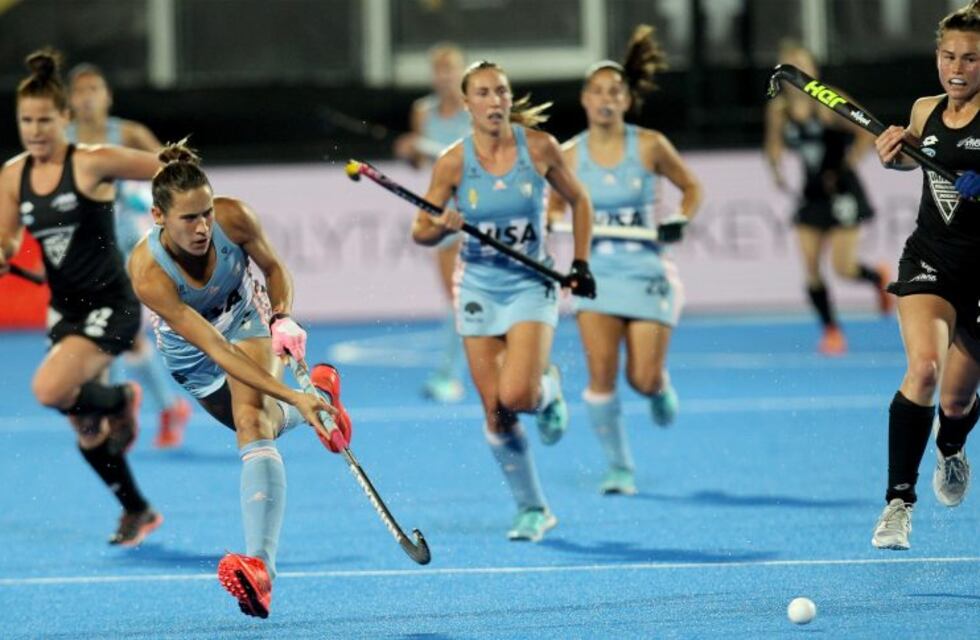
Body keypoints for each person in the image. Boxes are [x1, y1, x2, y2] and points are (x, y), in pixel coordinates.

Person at [127, 140, 348, 618]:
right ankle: (318, 398)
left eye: (205, 212)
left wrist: (284, 316)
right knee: (265, 421)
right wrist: (298, 395)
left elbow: (273, 267)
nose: (203, 226)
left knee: (251, 423)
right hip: (195, 353)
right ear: (158, 216)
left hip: (246, 321)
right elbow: (217, 351)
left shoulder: (235, 218)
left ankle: (261, 568)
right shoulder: (148, 273)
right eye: (189, 218)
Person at [411, 60, 595, 542]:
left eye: (502, 92)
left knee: (518, 394)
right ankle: (533, 507)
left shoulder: (538, 148)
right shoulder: (453, 160)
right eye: (485, 94)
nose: (495, 101)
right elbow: (420, 230)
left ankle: (548, 389)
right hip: (477, 288)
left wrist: (579, 263)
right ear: (468, 104)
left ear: (511, 100)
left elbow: (580, 201)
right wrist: (441, 223)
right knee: (496, 410)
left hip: (530, 286)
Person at [0, 49, 164, 546]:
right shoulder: (13, 175)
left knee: (50, 390)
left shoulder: (92, 163)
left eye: (45, 120)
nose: (35, 129)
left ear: (65, 119)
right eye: (26, 120)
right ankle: (137, 509)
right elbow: (7, 241)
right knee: (86, 429)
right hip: (65, 310)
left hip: (112, 305)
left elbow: (167, 167)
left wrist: (177, 195)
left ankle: (123, 397)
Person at [546, 25, 701, 495]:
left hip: (647, 270)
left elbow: (692, 188)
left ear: (627, 100)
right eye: (597, 91)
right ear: (585, 100)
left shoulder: (650, 144)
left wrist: (679, 217)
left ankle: (658, 388)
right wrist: (556, 221)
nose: (606, 99)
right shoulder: (568, 155)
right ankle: (619, 467)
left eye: (615, 91)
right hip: (595, 275)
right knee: (602, 376)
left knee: (644, 377)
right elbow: (554, 208)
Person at [870, 1, 980, 550]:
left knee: (957, 404)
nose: (956, 69)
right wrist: (893, 153)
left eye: (971, 59)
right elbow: (912, 156)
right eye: (947, 56)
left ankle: (952, 445)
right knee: (925, 368)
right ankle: (897, 502)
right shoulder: (925, 108)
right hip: (930, 260)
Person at [67, 62, 192, 448]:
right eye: (80, 90)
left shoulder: (128, 133)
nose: (88, 97)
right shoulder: (60, 137)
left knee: (110, 331)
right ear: (70, 100)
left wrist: (141, 196)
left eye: (95, 89)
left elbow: (175, 173)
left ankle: (117, 413)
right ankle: (168, 407)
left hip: (126, 247)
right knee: (123, 337)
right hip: (83, 249)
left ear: (107, 95)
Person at [764, 40, 892, 356]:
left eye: (803, 66)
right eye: (792, 67)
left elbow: (867, 131)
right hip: (811, 192)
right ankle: (832, 330)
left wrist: (847, 165)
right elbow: (773, 145)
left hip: (841, 189)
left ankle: (877, 277)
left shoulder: (828, 101)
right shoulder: (779, 109)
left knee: (843, 268)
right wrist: (776, 168)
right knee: (809, 267)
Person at [394, 44, 472, 403]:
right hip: (441, 215)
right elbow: (421, 167)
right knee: (456, 299)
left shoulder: (476, 110)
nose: (445, 77)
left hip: (475, 212)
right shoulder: (422, 112)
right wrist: (410, 151)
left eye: (451, 69)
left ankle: (450, 374)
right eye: (439, 70)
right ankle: (452, 374)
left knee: (471, 296)